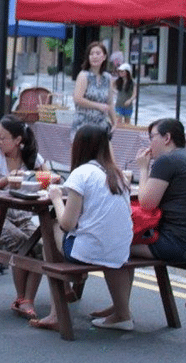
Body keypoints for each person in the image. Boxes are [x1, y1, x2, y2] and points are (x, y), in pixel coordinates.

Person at [31, 124, 133, 332]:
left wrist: (56, 198)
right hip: (120, 250)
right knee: (93, 238)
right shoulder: (118, 175)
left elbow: (67, 223)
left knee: (51, 231)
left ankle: (56, 314)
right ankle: (122, 314)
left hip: (89, 251)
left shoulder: (82, 173)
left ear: (79, 147)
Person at [0, 115, 47, 320]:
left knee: (41, 247)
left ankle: (28, 299)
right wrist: (10, 178)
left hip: (21, 214)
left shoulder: (32, 156)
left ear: (17, 140)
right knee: (23, 245)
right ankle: (21, 298)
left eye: (3, 137)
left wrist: (41, 179)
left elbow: (48, 178)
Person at [131, 118, 186, 264]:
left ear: (167, 138)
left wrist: (143, 168)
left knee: (114, 246)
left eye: (152, 137)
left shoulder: (167, 161)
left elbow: (147, 203)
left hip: (175, 242)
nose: (150, 144)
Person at [72, 41, 116, 137]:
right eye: (91, 54)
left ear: (104, 57)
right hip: (83, 125)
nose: (94, 56)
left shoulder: (108, 77)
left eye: (98, 53)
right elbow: (77, 99)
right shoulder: (84, 75)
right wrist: (98, 106)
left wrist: (114, 122)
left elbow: (110, 103)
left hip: (101, 126)